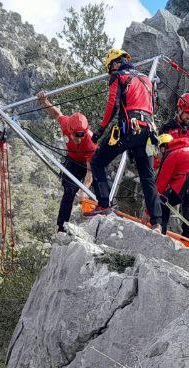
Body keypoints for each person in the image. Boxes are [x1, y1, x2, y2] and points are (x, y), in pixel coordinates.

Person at [90, 48, 161, 226]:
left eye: (109, 69)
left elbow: (112, 105)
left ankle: (104, 204)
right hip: (149, 131)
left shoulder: (119, 77)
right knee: (147, 177)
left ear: (115, 64)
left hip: (129, 128)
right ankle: (157, 222)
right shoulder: (146, 79)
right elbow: (154, 106)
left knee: (97, 161)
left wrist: (99, 131)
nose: (109, 74)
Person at [36, 91, 96, 233]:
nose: (79, 139)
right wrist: (45, 101)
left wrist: (84, 189)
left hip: (86, 164)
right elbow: (57, 114)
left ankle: (97, 220)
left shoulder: (91, 143)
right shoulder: (66, 124)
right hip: (72, 161)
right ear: (70, 130)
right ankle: (61, 227)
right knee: (69, 191)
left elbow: (90, 171)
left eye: (82, 136)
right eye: (76, 136)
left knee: (95, 190)